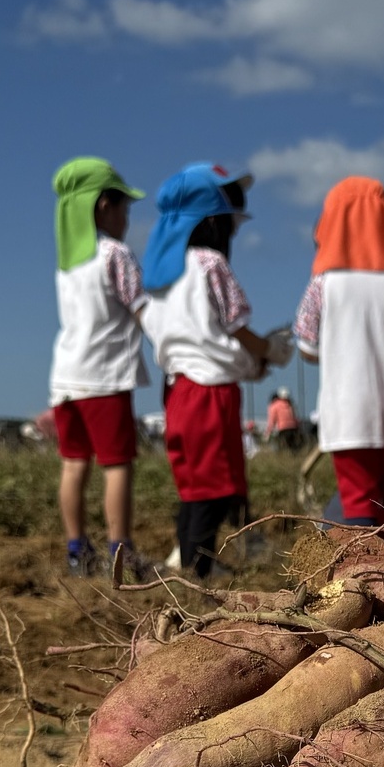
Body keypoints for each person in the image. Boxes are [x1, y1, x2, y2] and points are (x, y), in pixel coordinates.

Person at [141, 163, 287, 580]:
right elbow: (236, 327)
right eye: (230, 225)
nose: (233, 235)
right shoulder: (210, 264)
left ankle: (190, 560)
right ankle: (198, 568)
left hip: (177, 389)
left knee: (194, 483)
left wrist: (245, 363)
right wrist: (268, 353)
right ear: (212, 223)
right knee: (216, 486)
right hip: (212, 391)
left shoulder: (161, 275)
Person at [293, 176, 384, 529]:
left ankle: (366, 577)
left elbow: (306, 345)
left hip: (350, 413)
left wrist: (340, 352)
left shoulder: (323, 283)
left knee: (359, 503)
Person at [49, 156, 148, 576]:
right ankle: (119, 553)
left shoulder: (68, 264)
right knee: (116, 465)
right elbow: (142, 307)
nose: (127, 215)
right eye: (125, 206)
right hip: (103, 378)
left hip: (65, 379)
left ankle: (77, 551)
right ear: (103, 205)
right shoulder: (115, 254)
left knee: (74, 465)